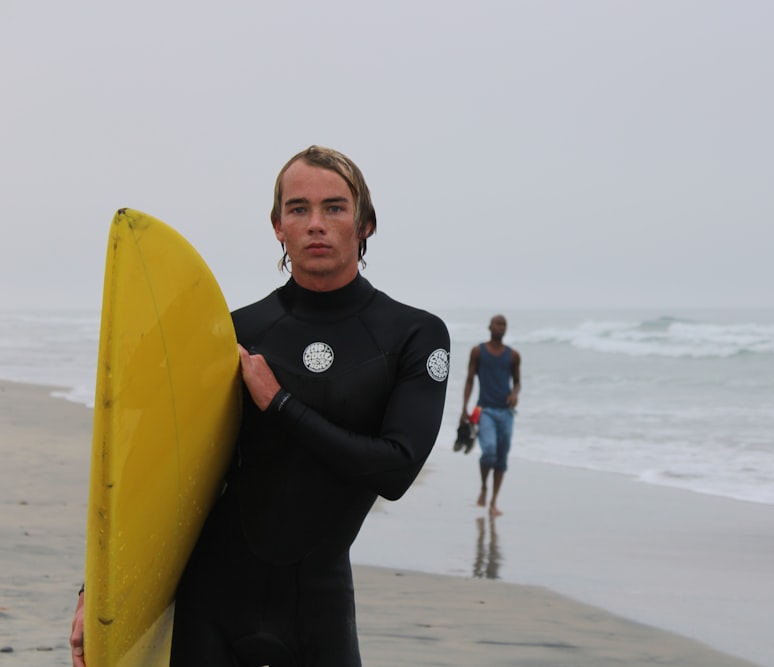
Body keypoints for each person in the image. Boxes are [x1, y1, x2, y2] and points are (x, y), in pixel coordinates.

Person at [70, 145, 451, 666]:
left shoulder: (413, 336)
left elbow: (395, 469)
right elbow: (150, 469)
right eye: (298, 209)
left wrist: (279, 402)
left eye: (335, 208)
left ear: (365, 225)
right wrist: (95, 593)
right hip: (212, 600)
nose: (316, 223)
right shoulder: (234, 333)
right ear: (278, 226)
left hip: (318, 604)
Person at [461, 314, 521, 517]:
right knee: (489, 451)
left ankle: (494, 501)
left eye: (504, 324)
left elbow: (517, 382)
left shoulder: (513, 356)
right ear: (489, 326)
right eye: (498, 323)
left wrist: (514, 394)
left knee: (502, 459)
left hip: (506, 413)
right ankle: (483, 487)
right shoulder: (478, 352)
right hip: (483, 410)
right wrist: (464, 408)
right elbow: (469, 380)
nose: (501, 327)